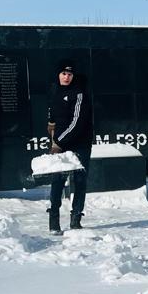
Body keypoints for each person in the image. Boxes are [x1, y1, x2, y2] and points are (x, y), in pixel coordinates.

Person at [46, 59, 93, 234]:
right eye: (64, 73)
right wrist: (51, 126)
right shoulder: (55, 91)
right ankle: (54, 221)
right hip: (60, 144)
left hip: (80, 144)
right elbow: (52, 115)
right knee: (57, 180)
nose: (66, 77)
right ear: (58, 74)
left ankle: (75, 220)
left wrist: (59, 142)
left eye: (70, 74)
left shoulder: (79, 93)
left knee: (79, 181)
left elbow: (77, 123)